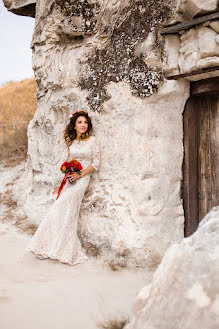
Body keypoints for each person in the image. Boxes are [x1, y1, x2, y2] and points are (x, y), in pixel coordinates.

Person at [25, 110, 101, 266]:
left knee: (64, 208)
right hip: (69, 179)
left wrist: (79, 175)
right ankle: (48, 245)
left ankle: (65, 249)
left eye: (85, 122)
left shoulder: (92, 141)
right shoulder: (71, 142)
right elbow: (64, 159)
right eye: (80, 122)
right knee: (61, 210)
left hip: (82, 179)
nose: (83, 125)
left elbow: (96, 163)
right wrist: (66, 168)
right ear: (74, 125)